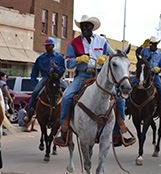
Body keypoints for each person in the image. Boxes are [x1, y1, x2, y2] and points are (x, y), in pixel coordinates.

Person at [54, 15, 134, 146]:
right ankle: (64, 129)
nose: (86, 28)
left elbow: (113, 54)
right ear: (80, 27)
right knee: (67, 96)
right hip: (82, 75)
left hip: (99, 76)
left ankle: (120, 130)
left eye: (88, 26)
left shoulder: (102, 41)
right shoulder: (74, 43)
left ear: (92, 28)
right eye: (83, 26)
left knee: (119, 98)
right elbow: (68, 64)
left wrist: (105, 57)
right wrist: (78, 60)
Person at [24, 37, 66, 122]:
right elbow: (34, 72)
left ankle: (68, 113)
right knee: (35, 92)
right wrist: (34, 83)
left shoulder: (60, 57)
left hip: (57, 78)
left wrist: (56, 67)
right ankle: (29, 112)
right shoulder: (40, 58)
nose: (46, 47)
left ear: (53, 46)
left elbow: (63, 69)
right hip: (46, 78)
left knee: (68, 91)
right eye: (46, 46)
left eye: (48, 45)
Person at [140, 36, 161, 119]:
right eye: (151, 43)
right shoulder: (145, 50)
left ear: (157, 44)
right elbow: (138, 54)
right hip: (143, 73)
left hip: (154, 75)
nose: (152, 45)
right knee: (132, 83)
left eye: (154, 44)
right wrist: (142, 46)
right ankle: (128, 107)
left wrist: (159, 69)